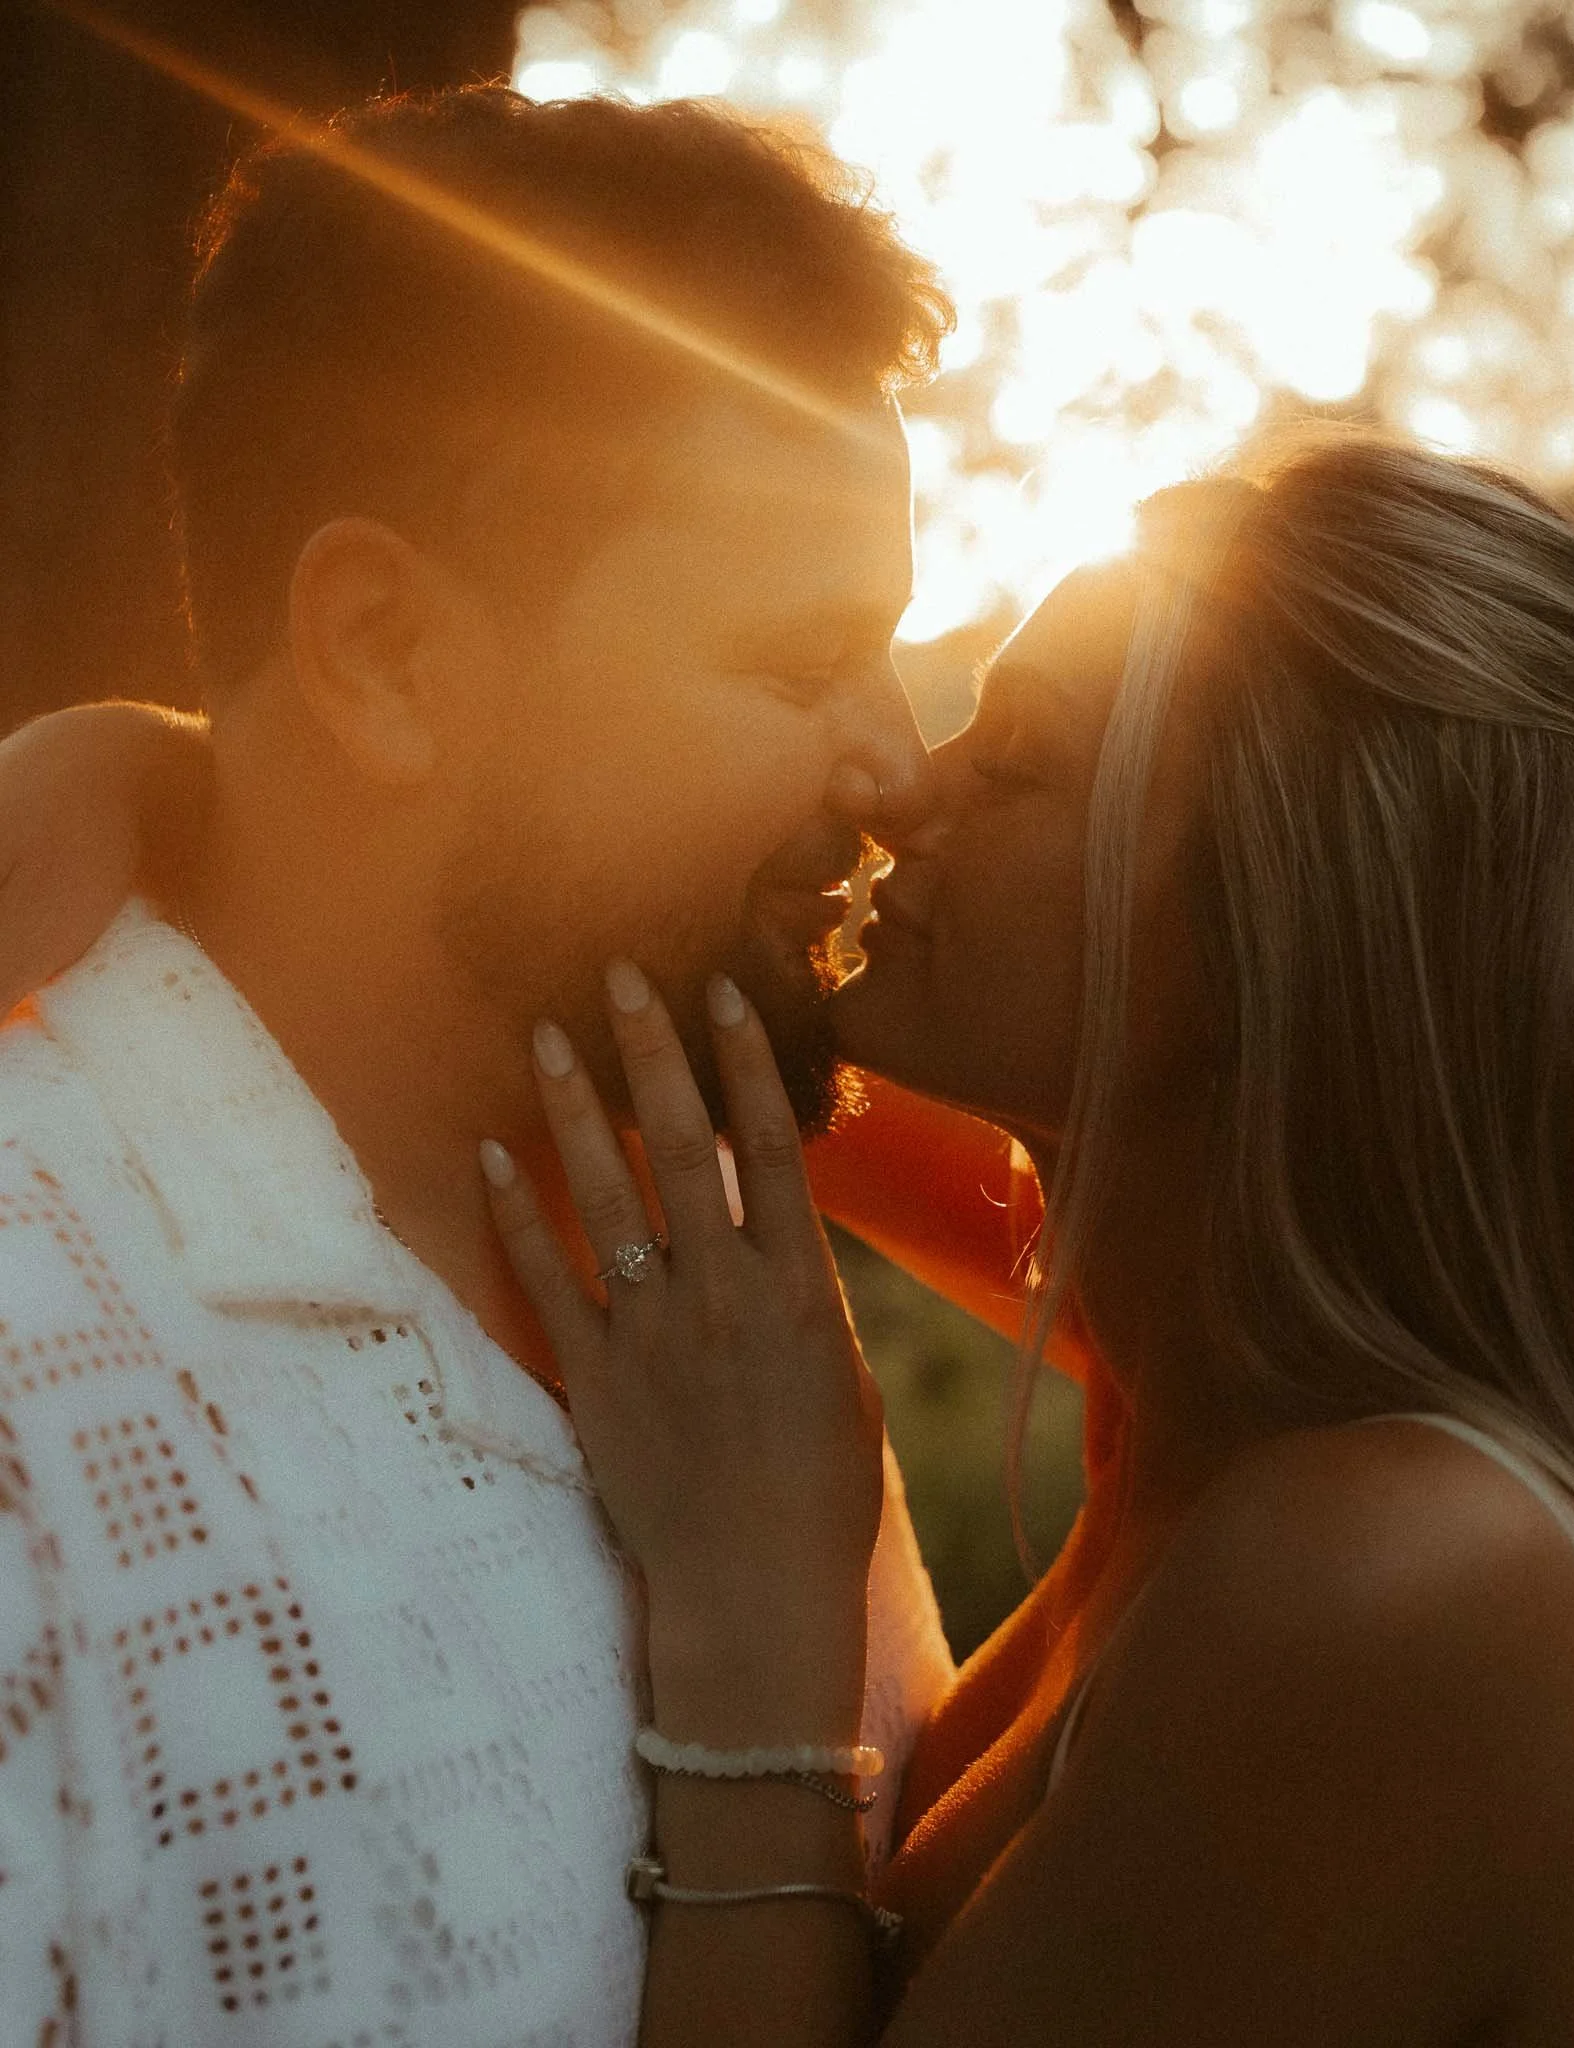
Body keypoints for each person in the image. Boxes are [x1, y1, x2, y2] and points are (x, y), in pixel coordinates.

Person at [24, 428, 1574, 2042]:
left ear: (1265, 932)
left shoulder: (1395, 1582)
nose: (909, 781)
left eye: (1017, 760)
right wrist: (188, 779)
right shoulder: (1224, 1380)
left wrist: (763, 1649)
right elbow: (668, 991)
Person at [0, 86, 960, 2043]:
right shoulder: (41, 1403)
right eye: (796, 661)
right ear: (386, 653)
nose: (897, 764)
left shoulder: (719, 1260)